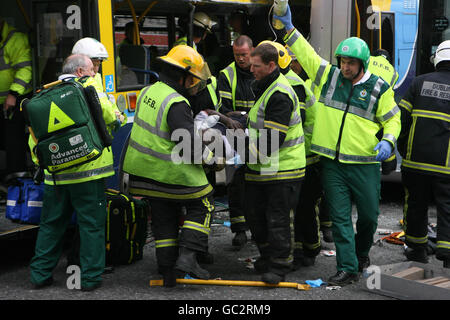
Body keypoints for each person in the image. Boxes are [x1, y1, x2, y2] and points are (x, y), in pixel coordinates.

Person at [274, 6, 401, 286]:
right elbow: (307, 56)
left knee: (369, 217)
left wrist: (387, 141)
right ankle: (347, 266)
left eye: (350, 63)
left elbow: (393, 121)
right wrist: (290, 30)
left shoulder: (379, 89)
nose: (344, 67)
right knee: (341, 219)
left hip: (365, 164)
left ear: (362, 64)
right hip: (332, 164)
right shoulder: (329, 77)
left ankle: (361, 254)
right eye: (342, 61)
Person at [121, 45, 222, 287]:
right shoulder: (177, 103)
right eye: (193, 79)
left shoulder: (149, 91)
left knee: (164, 214)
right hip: (168, 171)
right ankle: (188, 258)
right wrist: (213, 161)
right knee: (204, 201)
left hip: (142, 173)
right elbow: (188, 145)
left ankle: (167, 270)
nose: (194, 85)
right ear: (182, 75)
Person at [29, 54, 124, 291]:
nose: (95, 73)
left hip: (55, 176)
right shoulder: (88, 88)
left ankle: (40, 275)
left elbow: (34, 140)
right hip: (88, 174)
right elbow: (110, 116)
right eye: (92, 69)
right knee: (91, 225)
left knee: (51, 224)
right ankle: (90, 279)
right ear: (80, 72)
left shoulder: (43, 95)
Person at [238, 42, 305, 284]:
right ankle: (267, 257)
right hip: (264, 168)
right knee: (255, 214)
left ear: (271, 65)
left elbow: (273, 140)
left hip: (283, 169)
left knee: (278, 219)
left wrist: (237, 149)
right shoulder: (266, 87)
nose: (251, 70)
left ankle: (279, 266)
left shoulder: (279, 93)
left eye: (256, 66)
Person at [398, 40, 450, 269]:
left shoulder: (418, 83)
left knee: (415, 205)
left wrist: (403, 149)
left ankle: (417, 250)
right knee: (447, 207)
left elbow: (402, 120)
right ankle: (447, 254)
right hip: (446, 165)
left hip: (415, 160)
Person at [217, 35, 255, 247]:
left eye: (244, 55)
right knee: (235, 184)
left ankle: (258, 230)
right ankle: (239, 229)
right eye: (237, 55)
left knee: (257, 183)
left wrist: (242, 115)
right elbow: (224, 110)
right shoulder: (227, 75)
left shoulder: (260, 69)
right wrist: (241, 117)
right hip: (236, 136)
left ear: (253, 51)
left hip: (258, 136)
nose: (241, 59)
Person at [0, 18, 32, 177]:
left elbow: (25, 69)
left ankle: (17, 177)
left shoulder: (16, 39)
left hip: (16, 97)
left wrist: (13, 95)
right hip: (4, 100)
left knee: (13, 137)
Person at [369, 48, 399, 175]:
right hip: (382, 104)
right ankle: (388, 165)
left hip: (365, 100)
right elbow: (389, 90)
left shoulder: (369, 60)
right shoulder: (394, 72)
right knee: (384, 132)